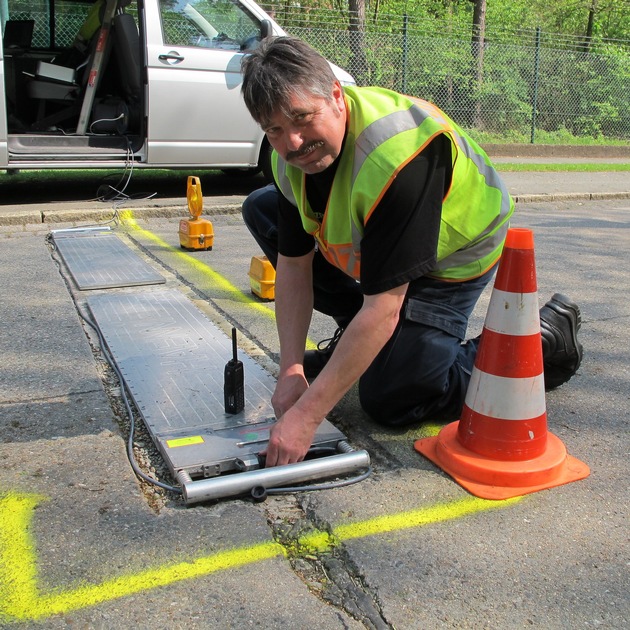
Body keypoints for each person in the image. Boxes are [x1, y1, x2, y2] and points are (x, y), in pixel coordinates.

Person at [240, 37, 583, 468]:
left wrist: (307, 416)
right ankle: (368, 348)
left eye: (302, 119)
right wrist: (291, 368)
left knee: (391, 399)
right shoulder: (287, 157)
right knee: (262, 209)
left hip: (453, 254)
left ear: (335, 96)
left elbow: (384, 306)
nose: (292, 143)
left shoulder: (401, 154)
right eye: (273, 129)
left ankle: (542, 344)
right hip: (380, 247)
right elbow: (293, 265)